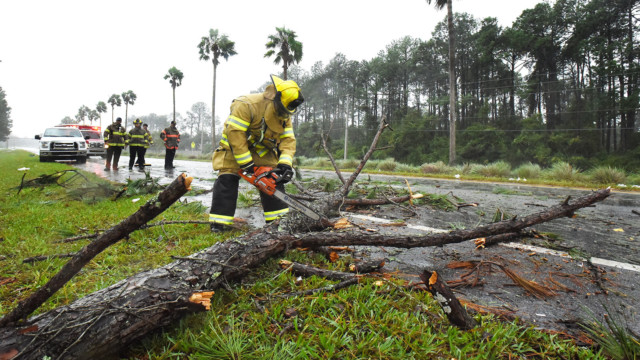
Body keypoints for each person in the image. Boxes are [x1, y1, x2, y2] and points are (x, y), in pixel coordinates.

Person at [209, 74, 304, 232]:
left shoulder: (284, 113)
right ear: (275, 98)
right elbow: (235, 134)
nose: (284, 115)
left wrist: (285, 164)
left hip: (262, 151)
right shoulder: (247, 104)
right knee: (227, 178)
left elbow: (288, 140)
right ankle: (219, 224)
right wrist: (247, 164)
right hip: (234, 149)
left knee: (273, 180)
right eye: (282, 110)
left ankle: (278, 224)